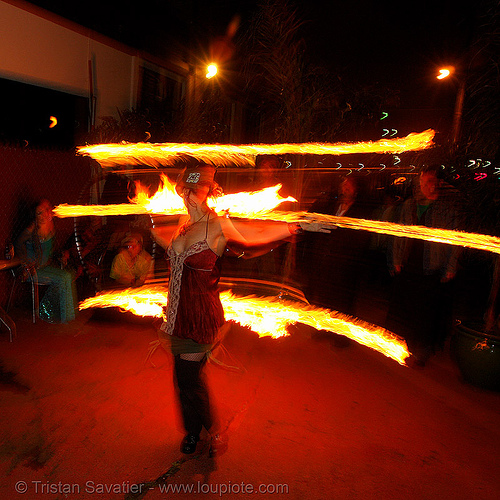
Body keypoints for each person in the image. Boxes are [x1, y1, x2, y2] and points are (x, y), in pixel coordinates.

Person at [151, 163, 329, 457]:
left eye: (196, 191)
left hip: (201, 314)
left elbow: (253, 233)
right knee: (182, 377)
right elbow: (170, 244)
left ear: (208, 192)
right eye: (186, 190)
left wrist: (294, 226)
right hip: (177, 313)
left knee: (189, 376)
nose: (190, 196)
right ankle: (192, 433)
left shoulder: (218, 225)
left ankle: (215, 432)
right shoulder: (184, 222)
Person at [387, 165, 462, 367]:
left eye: (430, 181)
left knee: (427, 312)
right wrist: (395, 259)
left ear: (438, 183)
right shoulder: (410, 205)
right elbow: (399, 234)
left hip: (431, 266)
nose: (426, 186)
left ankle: (422, 350)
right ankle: (404, 346)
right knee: (407, 308)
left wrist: (451, 267)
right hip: (409, 264)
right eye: (423, 182)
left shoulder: (448, 209)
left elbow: (455, 242)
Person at [301, 175, 372, 345]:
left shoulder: (360, 212)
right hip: (326, 261)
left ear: (356, 190)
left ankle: (341, 337)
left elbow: (361, 240)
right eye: (343, 186)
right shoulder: (332, 206)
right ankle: (324, 329)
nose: (345, 189)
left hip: (345, 264)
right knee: (324, 298)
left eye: (349, 186)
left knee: (343, 302)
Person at [15, 199, 77, 323]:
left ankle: (67, 316)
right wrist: (24, 262)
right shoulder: (32, 228)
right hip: (32, 270)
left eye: (45, 211)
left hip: (44, 267)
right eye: (39, 213)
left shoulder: (50, 227)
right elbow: (18, 243)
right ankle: (46, 312)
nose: (43, 215)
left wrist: (62, 254)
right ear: (34, 216)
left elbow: (51, 250)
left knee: (68, 275)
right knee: (61, 279)